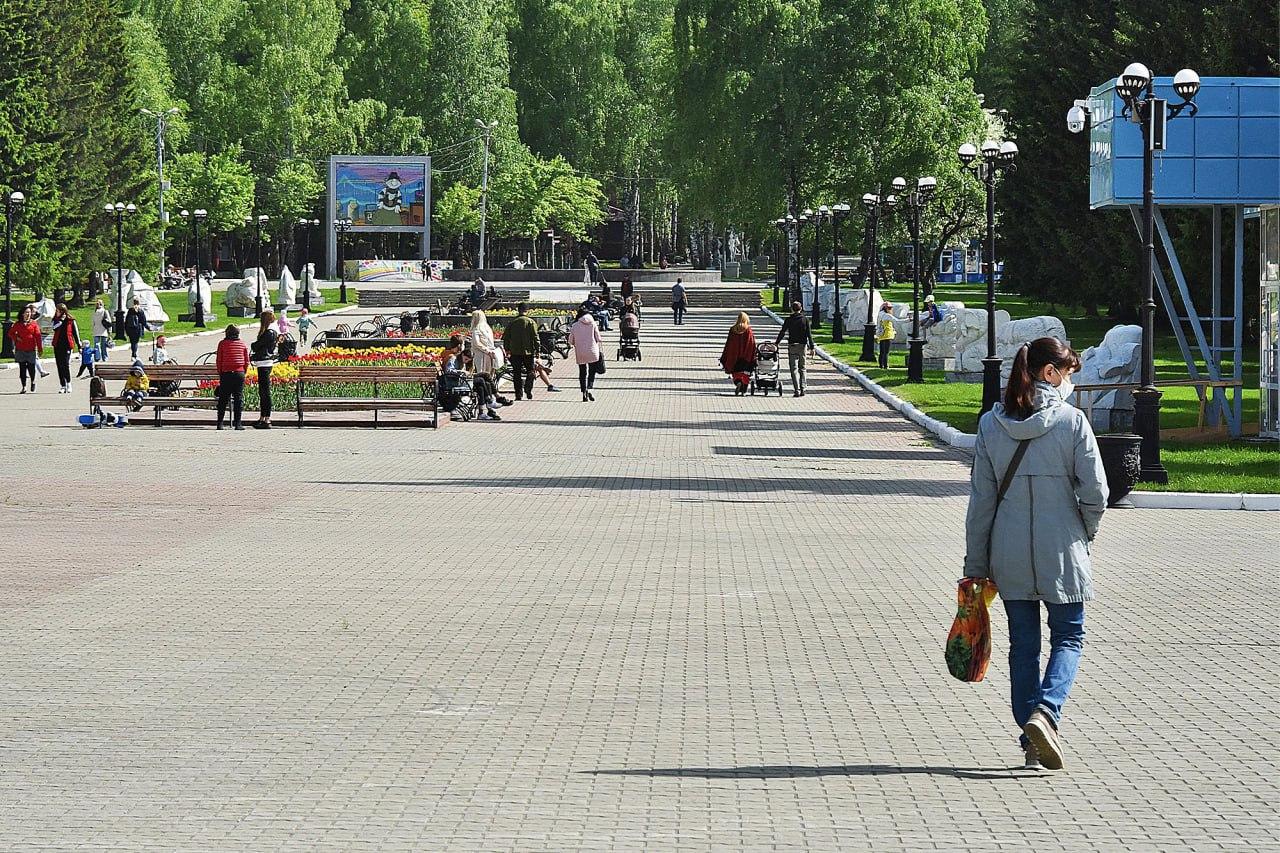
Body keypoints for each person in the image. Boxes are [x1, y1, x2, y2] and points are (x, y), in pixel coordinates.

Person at [963, 337, 1108, 771]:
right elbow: (1096, 493)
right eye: (1068, 373)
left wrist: (975, 565)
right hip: (1062, 549)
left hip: (1007, 554)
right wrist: (1084, 531)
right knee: (1069, 637)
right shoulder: (1072, 422)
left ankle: (1030, 740)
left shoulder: (991, 425)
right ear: (1050, 373)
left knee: (1023, 646)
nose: (1070, 382)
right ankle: (1046, 712)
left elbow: (981, 504)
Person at [774, 301, 815, 397]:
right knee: (802, 368)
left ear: (792, 309)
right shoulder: (805, 319)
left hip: (792, 345)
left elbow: (783, 332)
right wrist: (812, 347)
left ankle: (796, 389)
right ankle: (803, 388)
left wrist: (777, 343)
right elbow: (809, 334)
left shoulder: (789, 319)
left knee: (793, 369)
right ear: (801, 309)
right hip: (802, 346)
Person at [503, 302, 540, 401]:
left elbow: (506, 338)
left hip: (515, 352)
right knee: (530, 371)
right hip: (528, 352)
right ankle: (528, 388)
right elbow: (535, 338)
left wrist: (507, 349)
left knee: (517, 373)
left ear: (518, 310)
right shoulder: (531, 322)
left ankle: (518, 394)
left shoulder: (512, 322)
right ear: (527, 310)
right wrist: (538, 350)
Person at [215, 324, 250, 430]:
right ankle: (238, 424)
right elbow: (246, 361)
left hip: (226, 373)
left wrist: (221, 372)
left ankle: (220, 423)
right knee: (238, 398)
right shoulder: (242, 344)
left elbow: (219, 360)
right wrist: (243, 371)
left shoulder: (222, 344)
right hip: (239, 373)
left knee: (223, 399)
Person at [250, 310, 279, 429]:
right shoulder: (271, 331)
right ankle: (262, 417)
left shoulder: (269, 332)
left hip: (264, 363)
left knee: (265, 391)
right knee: (263, 391)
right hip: (264, 362)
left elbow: (257, 345)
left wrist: (253, 345)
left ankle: (267, 419)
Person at [569, 309, 603, 402]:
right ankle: (590, 388)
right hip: (592, 351)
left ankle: (584, 392)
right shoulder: (593, 324)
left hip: (580, 352)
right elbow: (598, 338)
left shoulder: (575, 325)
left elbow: (570, 341)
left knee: (582, 372)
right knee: (592, 372)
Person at [8, 306, 44, 393]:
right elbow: (10, 333)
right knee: (22, 369)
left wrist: (40, 349)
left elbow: (38, 336)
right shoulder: (18, 324)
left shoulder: (34, 324)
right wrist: (16, 338)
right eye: (26, 312)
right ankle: (24, 387)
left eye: (29, 312)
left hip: (31, 349)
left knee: (31, 368)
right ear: (22, 314)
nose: (28, 314)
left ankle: (33, 381)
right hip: (20, 349)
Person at [720, 311, 757, 395]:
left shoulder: (733, 329)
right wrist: (753, 354)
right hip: (746, 356)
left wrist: (727, 354)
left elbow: (729, 342)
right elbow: (751, 343)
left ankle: (738, 382)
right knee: (746, 373)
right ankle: (744, 390)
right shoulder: (748, 330)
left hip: (734, 355)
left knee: (736, 372)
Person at [50, 303, 81, 394]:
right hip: (57, 345)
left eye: (58, 311)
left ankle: (68, 383)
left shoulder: (71, 320)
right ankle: (62, 385)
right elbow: (54, 328)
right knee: (59, 365)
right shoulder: (55, 320)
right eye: (56, 311)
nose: (57, 312)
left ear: (63, 311)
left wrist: (79, 345)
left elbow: (75, 333)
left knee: (65, 364)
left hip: (67, 345)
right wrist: (60, 321)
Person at [876, 301, 897, 369]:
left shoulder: (880, 314)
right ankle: (885, 365)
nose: (890, 309)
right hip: (888, 335)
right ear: (885, 308)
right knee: (886, 352)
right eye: (889, 308)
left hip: (881, 334)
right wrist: (909, 320)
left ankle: (881, 365)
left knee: (882, 351)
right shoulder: (887, 315)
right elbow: (897, 321)